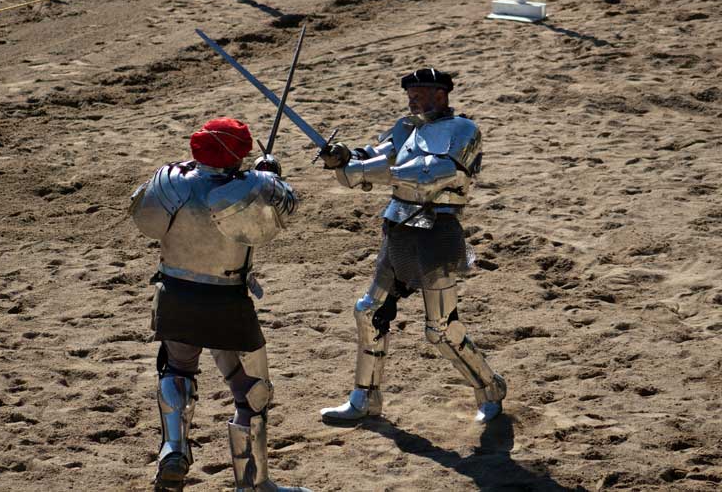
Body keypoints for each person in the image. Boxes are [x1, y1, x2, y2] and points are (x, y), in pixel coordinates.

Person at [128, 117, 310, 492]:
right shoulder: (253, 187)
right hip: (226, 301)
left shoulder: (170, 180)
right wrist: (271, 175)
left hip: (175, 293)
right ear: (238, 153)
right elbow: (284, 211)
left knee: (177, 369)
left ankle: (173, 449)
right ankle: (254, 483)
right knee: (252, 392)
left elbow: (142, 216)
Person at [317, 68, 506, 425]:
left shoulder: (463, 130)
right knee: (368, 311)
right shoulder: (406, 127)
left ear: (441, 94)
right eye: (410, 92)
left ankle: (490, 388)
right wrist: (343, 158)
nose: (412, 97)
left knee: (441, 330)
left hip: (436, 232)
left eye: (419, 92)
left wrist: (362, 171)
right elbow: (370, 158)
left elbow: (430, 177)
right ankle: (365, 399)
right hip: (398, 228)